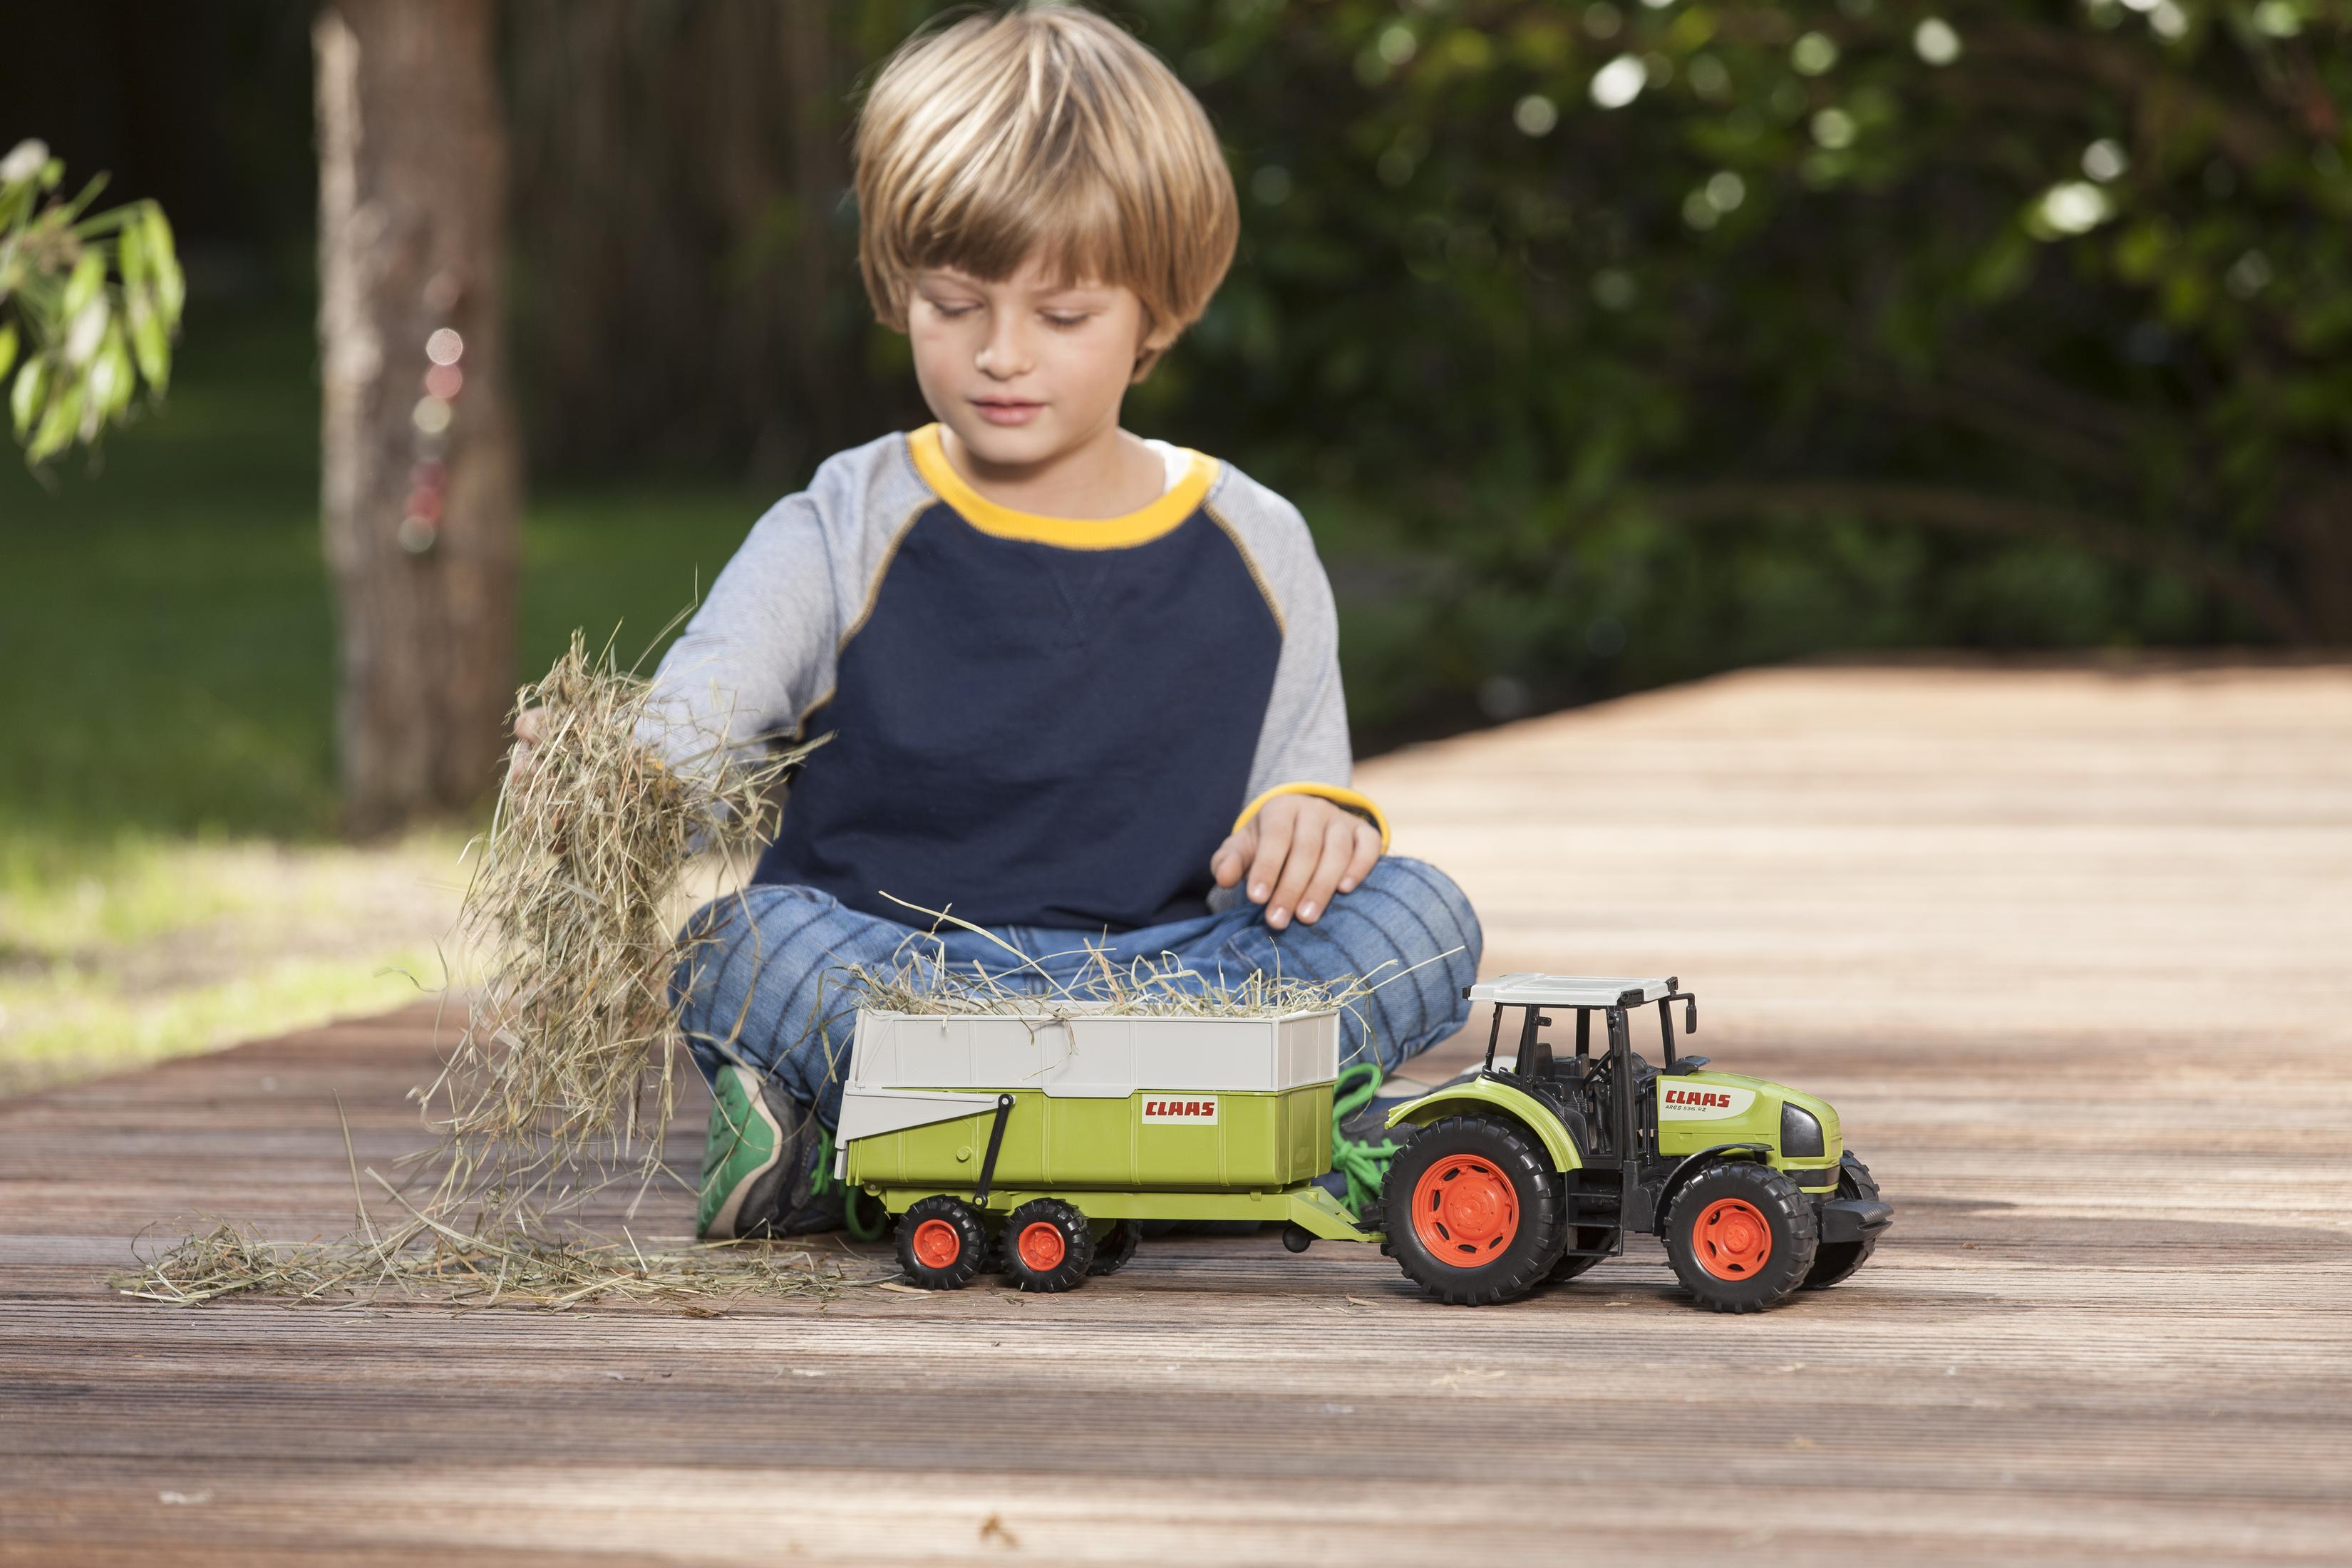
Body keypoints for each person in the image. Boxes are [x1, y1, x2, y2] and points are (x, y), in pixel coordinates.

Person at [517, 2, 1482, 1239]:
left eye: (1064, 316)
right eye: (954, 305)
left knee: (1420, 914)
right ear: (895, 286)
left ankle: (899, 1138)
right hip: (907, 981)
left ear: (1157, 311)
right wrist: (615, 778)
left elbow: (1302, 812)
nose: (1001, 356)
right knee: (740, 944)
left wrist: (1312, 823)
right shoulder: (842, 524)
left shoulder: (1256, 539)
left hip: (1175, 981)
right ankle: (1204, 1139)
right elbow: (701, 719)